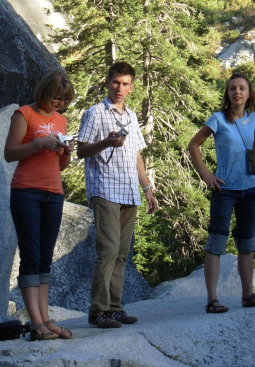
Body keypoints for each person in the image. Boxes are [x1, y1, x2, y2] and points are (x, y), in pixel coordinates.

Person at [77, 61, 158, 329]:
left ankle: (115, 308)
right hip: (104, 189)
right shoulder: (95, 113)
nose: (119, 88)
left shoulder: (132, 117)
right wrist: (106, 142)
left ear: (132, 87)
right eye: (115, 82)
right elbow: (81, 151)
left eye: (125, 84)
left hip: (128, 191)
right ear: (107, 83)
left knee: (122, 253)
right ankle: (97, 311)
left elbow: (136, 155)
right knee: (108, 251)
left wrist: (147, 189)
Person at [188, 73, 255, 314]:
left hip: (250, 190)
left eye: (242, 89)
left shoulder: (253, 119)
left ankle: (248, 295)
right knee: (216, 243)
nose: (237, 92)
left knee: (247, 243)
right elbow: (193, 145)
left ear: (249, 94)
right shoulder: (218, 119)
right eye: (232, 89)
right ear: (227, 94)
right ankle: (212, 300)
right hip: (224, 190)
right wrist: (206, 175)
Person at [4, 71, 76, 341]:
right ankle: (36, 321)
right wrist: (38, 143)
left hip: (53, 192)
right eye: (57, 98)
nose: (60, 104)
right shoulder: (24, 115)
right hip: (26, 191)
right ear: (45, 92)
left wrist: (66, 151)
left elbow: (59, 165)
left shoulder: (61, 120)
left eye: (64, 100)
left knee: (45, 257)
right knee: (31, 255)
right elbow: (10, 153)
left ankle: (45, 317)